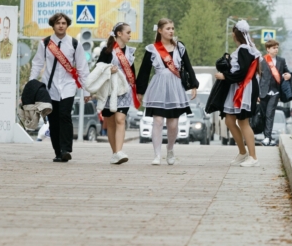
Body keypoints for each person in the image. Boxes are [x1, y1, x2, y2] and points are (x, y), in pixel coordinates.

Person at [136, 18, 198, 166]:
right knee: (157, 121)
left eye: (172, 28)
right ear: (160, 30)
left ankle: (170, 150)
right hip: (158, 87)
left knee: (173, 124)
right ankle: (157, 154)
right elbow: (144, 71)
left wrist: (193, 85)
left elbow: (188, 66)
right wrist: (140, 90)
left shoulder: (179, 48)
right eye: (168, 28)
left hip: (175, 88)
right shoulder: (152, 48)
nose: (171, 31)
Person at [29, 12, 90, 162]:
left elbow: (82, 68)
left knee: (65, 116)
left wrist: (86, 91)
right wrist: (31, 84)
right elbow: (37, 64)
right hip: (50, 88)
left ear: (67, 25)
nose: (61, 26)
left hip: (68, 87)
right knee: (53, 120)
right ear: (53, 25)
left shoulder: (75, 44)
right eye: (58, 23)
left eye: (63, 23)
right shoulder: (45, 43)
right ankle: (58, 152)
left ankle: (66, 149)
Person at [215, 20, 261, 167]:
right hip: (237, 88)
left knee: (243, 122)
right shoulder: (245, 49)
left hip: (243, 89)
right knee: (229, 120)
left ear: (236, 34)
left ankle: (253, 157)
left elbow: (242, 72)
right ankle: (242, 152)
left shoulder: (244, 49)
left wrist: (225, 76)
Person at [96, 22, 136, 164]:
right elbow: (99, 67)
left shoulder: (130, 52)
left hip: (124, 90)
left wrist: (137, 90)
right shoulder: (107, 51)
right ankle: (115, 153)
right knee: (111, 121)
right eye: (128, 32)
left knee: (120, 119)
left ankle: (119, 151)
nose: (130, 35)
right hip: (110, 90)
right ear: (119, 34)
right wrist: (108, 69)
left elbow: (132, 72)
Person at [258, 38, 291, 146]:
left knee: (269, 114)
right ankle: (266, 135)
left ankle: (268, 137)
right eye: (273, 48)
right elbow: (258, 78)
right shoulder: (262, 61)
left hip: (275, 92)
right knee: (263, 115)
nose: (276, 50)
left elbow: (286, 71)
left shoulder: (281, 61)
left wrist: (288, 75)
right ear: (268, 49)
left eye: (277, 48)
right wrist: (256, 94)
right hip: (263, 92)